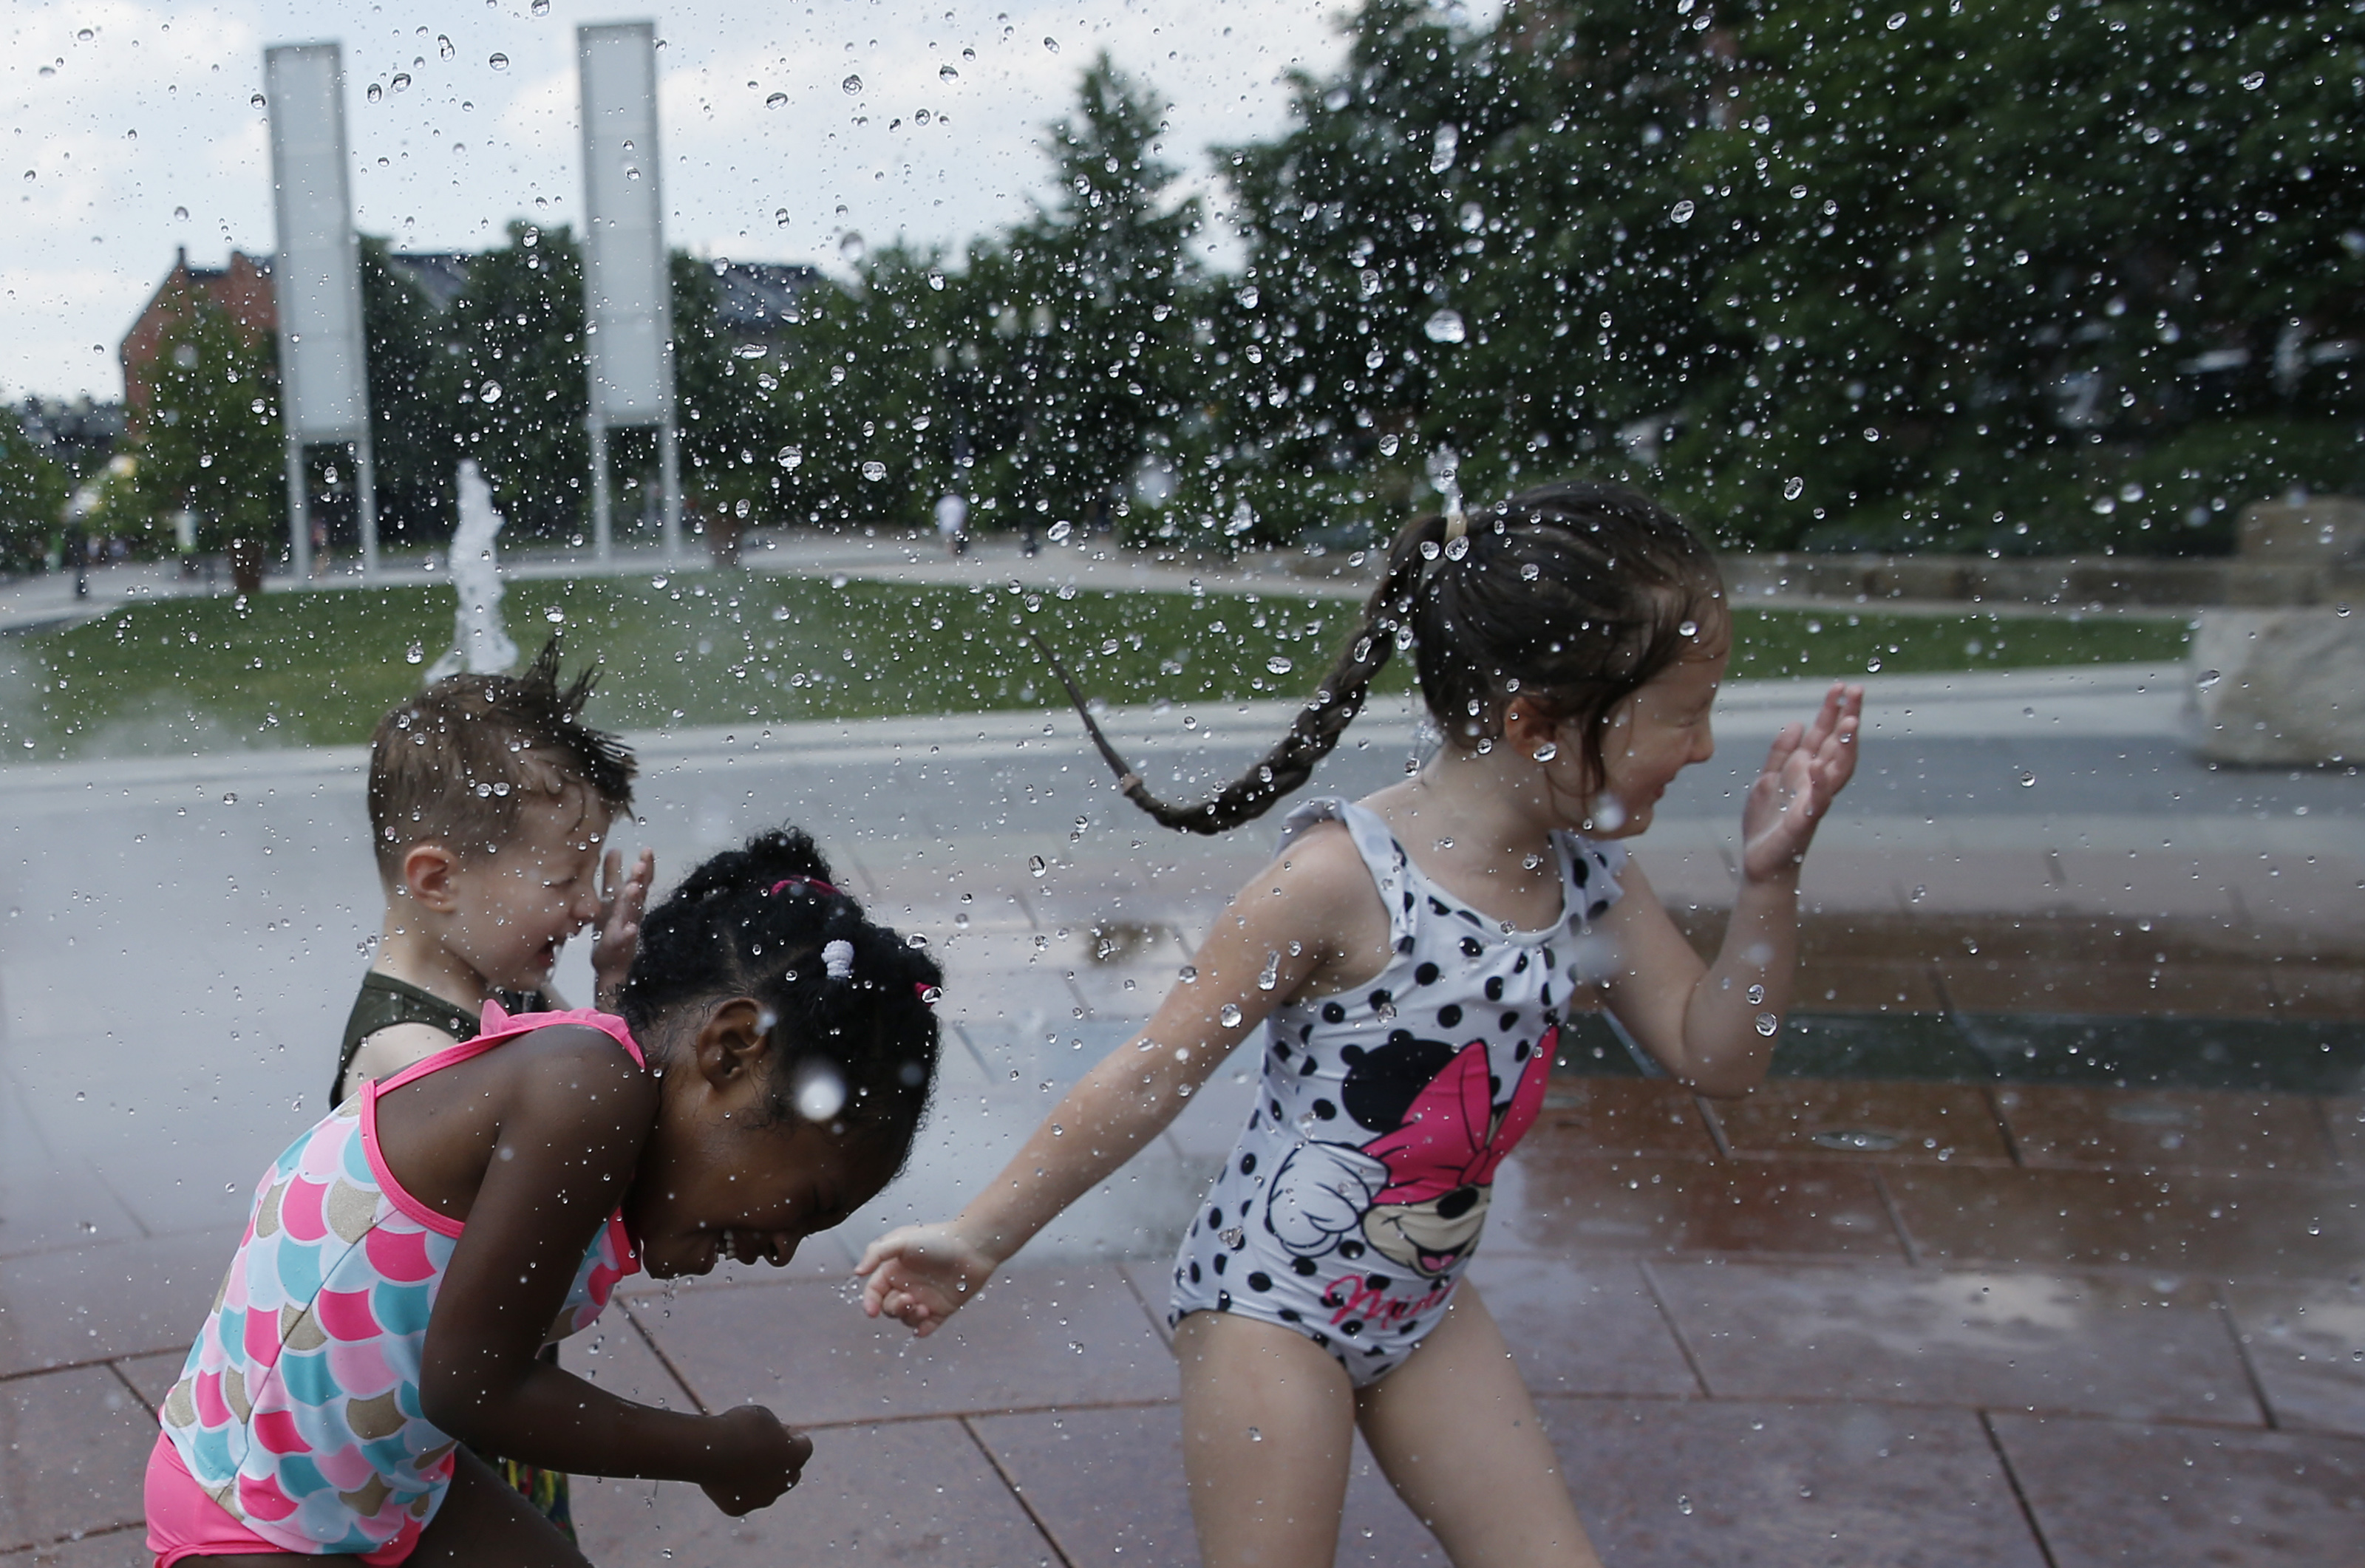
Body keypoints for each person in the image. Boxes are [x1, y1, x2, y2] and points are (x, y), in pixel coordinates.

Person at [858, 480, 1862, 1567]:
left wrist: (1772, 881)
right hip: (1269, 1307)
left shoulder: (1593, 881)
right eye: (1681, 714)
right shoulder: (1339, 882)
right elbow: (1151, 1076)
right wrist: (979, 1237)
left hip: (1423, 1305)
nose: (1707, 747)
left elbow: (1720, 1054)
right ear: (1535, 722)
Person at [146, 829, 945, 1567]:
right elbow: (472, 1387)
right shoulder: (587, 1091)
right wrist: (714, 1449)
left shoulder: (603, 1099)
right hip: (248, 1509)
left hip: (387, 1484)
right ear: (730, 1049)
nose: (782, 1248)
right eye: (806, 1202)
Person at [330, 641, 654, 1536]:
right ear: (437, 879)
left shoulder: (498, 986)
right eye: (562, 881)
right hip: (425, 1445)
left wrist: (613, 987)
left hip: (487, 1410)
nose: (588, 907)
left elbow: (592, 1102)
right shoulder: (402, 1053)